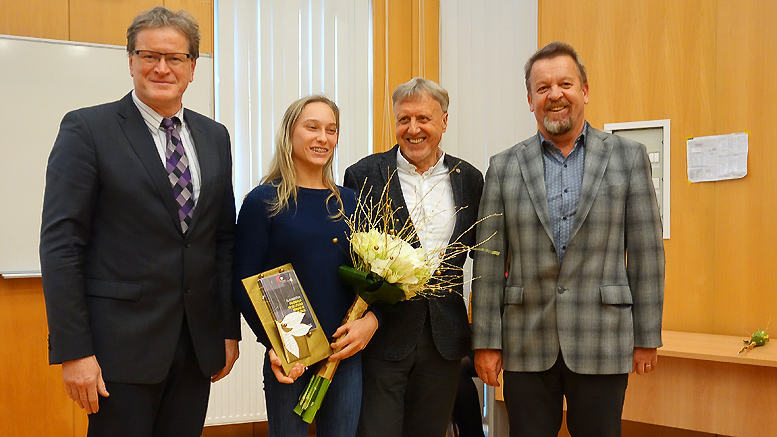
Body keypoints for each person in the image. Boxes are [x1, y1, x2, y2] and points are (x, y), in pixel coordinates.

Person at [39, 6, 240, 436]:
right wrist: (74, 351)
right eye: (149, 56)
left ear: (192, 67)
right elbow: (62, 247)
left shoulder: (215, 136)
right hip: (118, 351)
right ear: (130, 61)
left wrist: (227, 331)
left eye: (175, 58)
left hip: (196, 346)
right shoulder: (87, 129)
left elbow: (222, 241)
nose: (162, 68)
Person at [471, 41, 665, 437]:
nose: (554, 95)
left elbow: (647, 253)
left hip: (602, 337)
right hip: (525, 340)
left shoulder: (628, 158)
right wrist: (486, 342)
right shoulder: (504, 166)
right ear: (530, 100)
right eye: (542, 88)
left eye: (565, 84)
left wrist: (647, 335)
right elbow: (488, 262)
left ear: (585, 91)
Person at [344, 77, 484, 437]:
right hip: (382, 337)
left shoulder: (469, 179)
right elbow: (351, 260)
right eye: (404, 119)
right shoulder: (363, 176)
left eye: (423, 118)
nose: (413, 128)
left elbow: (483, 261)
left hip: (444, 342)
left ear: (444, 121)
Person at [233, 95, 378, 437]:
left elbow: (374, 278)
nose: (322, 138)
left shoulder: (352, 202)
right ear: (290, 133)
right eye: (312, 127)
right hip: (290, 355)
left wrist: (372, 321)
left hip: (344, 355)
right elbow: (243, 282)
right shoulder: (263, 201)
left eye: (331, 129)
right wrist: (273, 345)